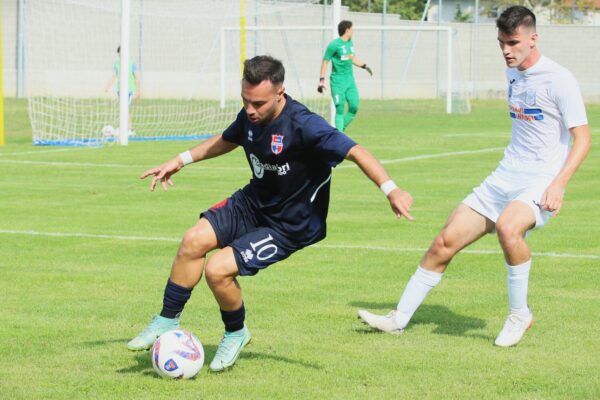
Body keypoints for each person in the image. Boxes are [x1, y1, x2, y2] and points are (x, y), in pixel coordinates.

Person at [129, 55, 414, 372]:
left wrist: (392, 189)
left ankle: (236, 333)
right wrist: (180, 160)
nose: (250, 109)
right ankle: (167, 320)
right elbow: (227, 139)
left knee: (217, 270)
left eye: (259, 103)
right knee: (192, 241)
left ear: (280, 93)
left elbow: (355, 151)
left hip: (289, 224)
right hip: (254, 202)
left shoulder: (305, 125)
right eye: (245, 100)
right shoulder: (251, 116)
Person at [358, 5, 591, 347]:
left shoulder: (559, 79)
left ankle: (519, 314)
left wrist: (559, 185)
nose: (506, 51)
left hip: (540, 182)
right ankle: (398, 319)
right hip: (503, 178)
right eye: (501, 43)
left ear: (533, 38)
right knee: (444, 242)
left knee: (510, 229)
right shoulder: (512, 72)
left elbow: (582, 138)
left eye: (512, 42)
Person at [318, 20, 372, 132]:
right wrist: (321, 81)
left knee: (354, 106)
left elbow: (351, 58)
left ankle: (338, 133)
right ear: (347, 30)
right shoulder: (334, 45)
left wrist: (365, 66)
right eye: (352, 29)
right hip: (337, 81)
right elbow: (325, 61)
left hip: (350, 80)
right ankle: (340, 136)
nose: (353, 31)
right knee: (340, 109)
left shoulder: (350, 43)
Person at [104, 46, 140, 135]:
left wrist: (138, 91)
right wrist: (108, 86)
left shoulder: (131, 64)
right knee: (123, 109)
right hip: (120, 90)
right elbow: (114, 76)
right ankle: (127, 128)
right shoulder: (116, 64)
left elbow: (136, 77)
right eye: (120, 53)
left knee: (125, 109)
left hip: (129, 90)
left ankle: (130, 129)